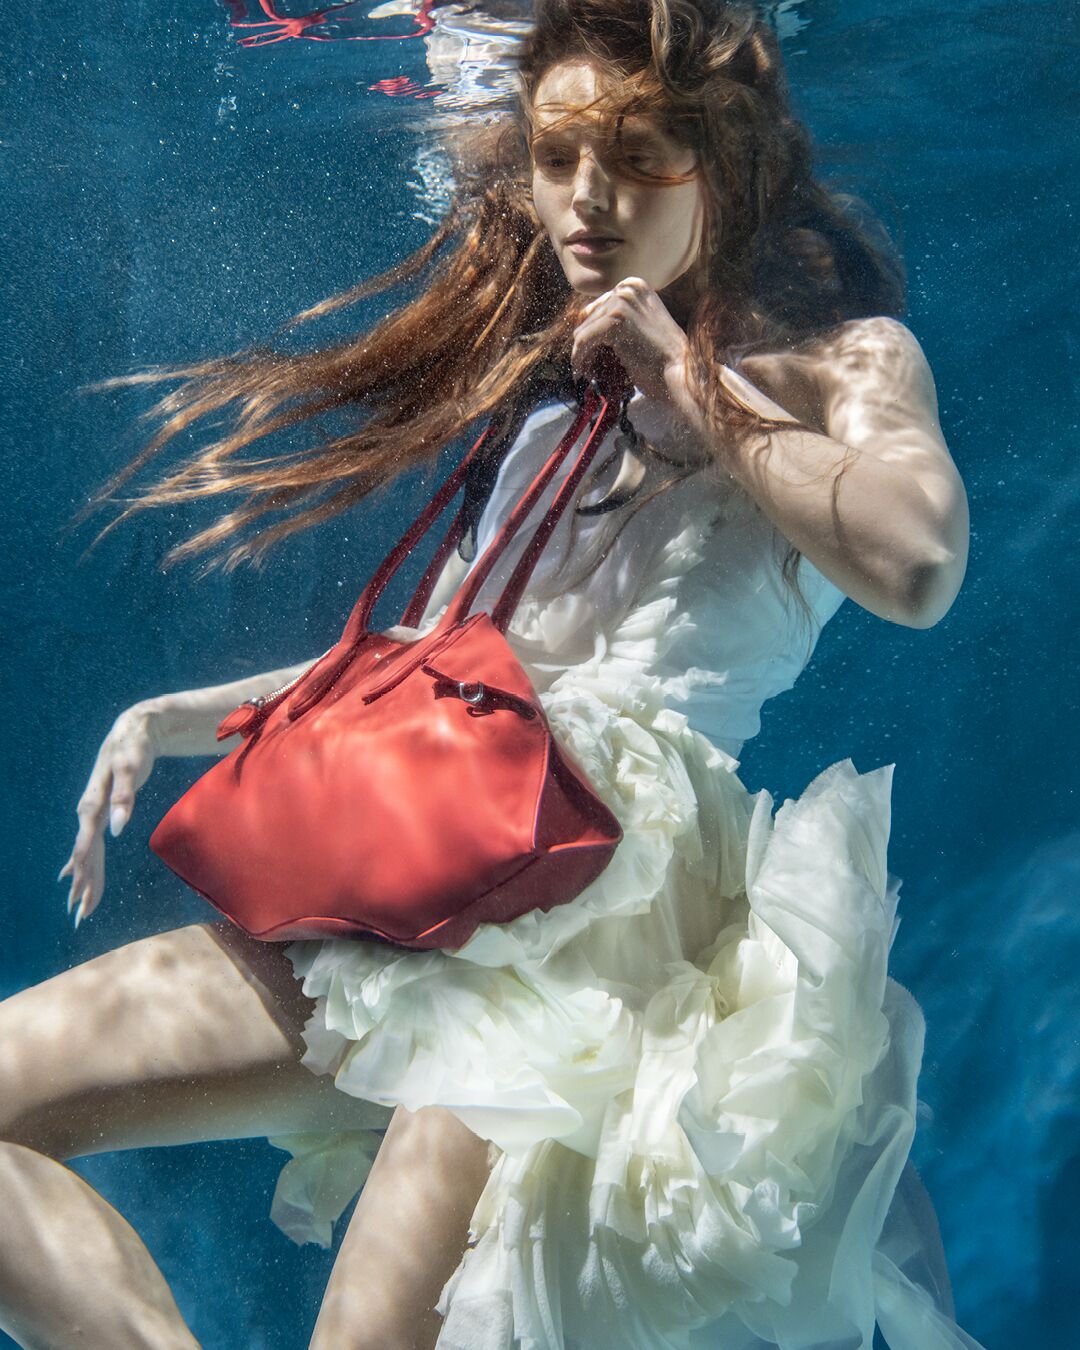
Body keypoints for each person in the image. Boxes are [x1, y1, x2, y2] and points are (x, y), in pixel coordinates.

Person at [2, 0, 985, 1346]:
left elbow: (916, 561)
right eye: (558, 155)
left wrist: (688, 382)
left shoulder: (839, 367)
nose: (586, 199)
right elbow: (449, 660)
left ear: (726, 159)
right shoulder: (548, 407)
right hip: (435, 853)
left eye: (638, 156)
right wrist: (175, 716)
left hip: (605, 902)